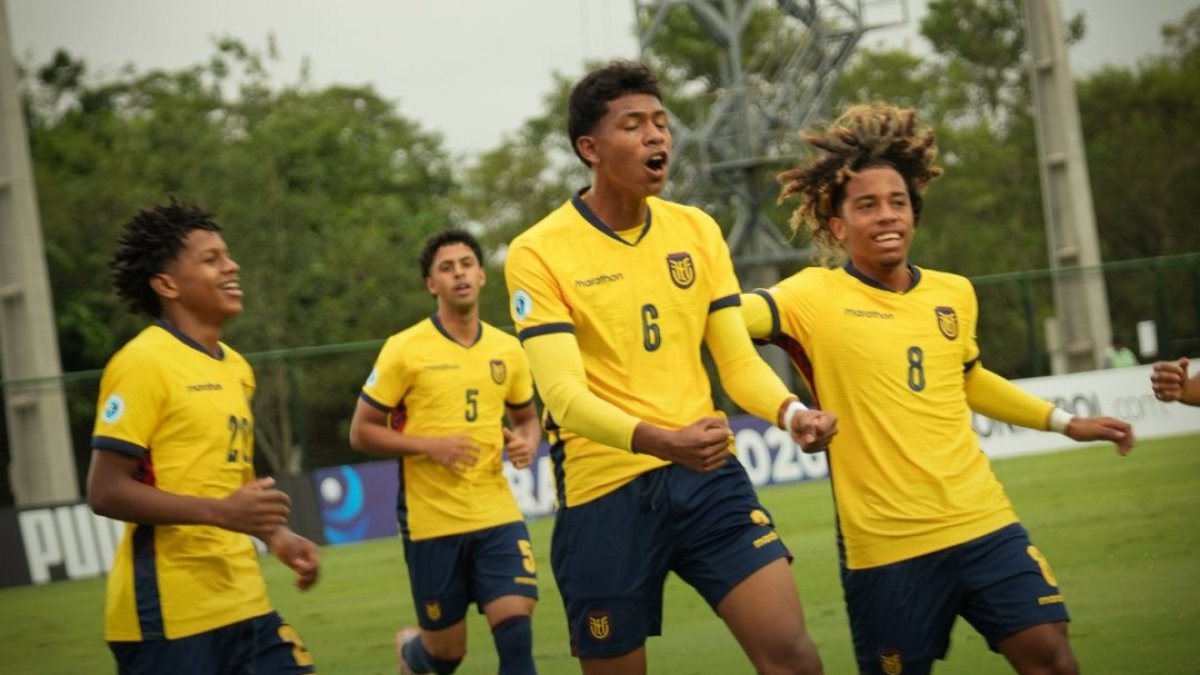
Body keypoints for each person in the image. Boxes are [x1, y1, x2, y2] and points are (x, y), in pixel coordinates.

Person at [739, 102, 1135, 675]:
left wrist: (1064, 422)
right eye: (867, 205)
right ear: (837, 226)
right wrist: (790, 409)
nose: (886, 215)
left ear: (916, 215)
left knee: (1053, 659)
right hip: (886, 548)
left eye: (898, 202)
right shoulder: (809, 296)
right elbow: (725, 319)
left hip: (983, 521)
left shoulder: (954, 293)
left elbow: (969, 379)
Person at [503, 60, 838, 675]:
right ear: (590, 148)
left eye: (661, 122)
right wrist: (662, 442)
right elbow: (563, 395)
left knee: (793, 656)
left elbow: (736, 362)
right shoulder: (536, 252)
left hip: (708, 479)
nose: (657, 136)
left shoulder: (698, 231)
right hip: (605, 494)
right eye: (634, 126)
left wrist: (790, 412)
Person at [87, 198, 319, 674]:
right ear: (167, 283)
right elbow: (105, 490)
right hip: (169, 618)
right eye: (211, 259)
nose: (231, 266)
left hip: (244, 599)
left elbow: (229, 478)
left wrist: (274, 534)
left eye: (227, 255)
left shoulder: (237, 367)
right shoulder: (142, 364)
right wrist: (220, 513)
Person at [348, 229, 542, 675]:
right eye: (446, 268)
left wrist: (525, 445)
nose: (459, 275)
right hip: (431, 521)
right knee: (445, 655)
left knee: (516, 635)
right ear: (431, 284)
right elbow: (362, 432)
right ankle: (410, 653)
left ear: (481, 275)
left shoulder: (508, 350)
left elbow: (527, 420)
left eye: (466, 265)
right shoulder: (405, 349)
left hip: (496, 514)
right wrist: (427, 445)